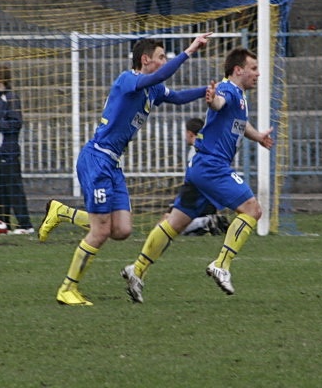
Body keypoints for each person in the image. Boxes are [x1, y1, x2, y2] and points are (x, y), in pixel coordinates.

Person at [39, 33, 211, 306]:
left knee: (121, 230)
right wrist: (189, 51)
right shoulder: (128, 80)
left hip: (113, 163)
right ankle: (67, 288)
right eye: (160, 57)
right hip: (96, 159)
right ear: (145, 60)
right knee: (100, 230)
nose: (164, 62)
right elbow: (157, 78)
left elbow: (176, 96)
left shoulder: (152, 90)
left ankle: (63, 213)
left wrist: (206, 90)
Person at [121, 47, 274, 304]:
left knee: (175, 222)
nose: (258, 74)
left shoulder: (240, 96)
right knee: (252, 210)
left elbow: (236, 120)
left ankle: (136, 270)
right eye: (254, 69)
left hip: (202, 168)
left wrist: (257, 136)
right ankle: (221, 265)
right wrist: (212, 99)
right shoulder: (228, 90)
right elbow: (219, 103)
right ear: (239, 70)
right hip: (214, 167)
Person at [0, 64, 34, 235]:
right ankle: (4, 224)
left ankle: (25, 225)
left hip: (7, 153)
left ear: (0, 79)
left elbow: (16, 123)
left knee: (13, 189)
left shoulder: (11, 98)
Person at [174, 117, 228, 237]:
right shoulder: (209, 148)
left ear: (189, 133)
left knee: (170, 225)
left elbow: (195, 179)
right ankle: (205, 223)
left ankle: (205, 222)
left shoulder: (195, 153)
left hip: (196, 198)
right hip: (211, 200)